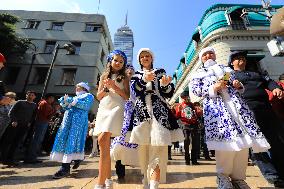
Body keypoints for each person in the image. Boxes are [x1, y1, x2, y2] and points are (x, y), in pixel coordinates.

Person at [190, 47, 270, 189]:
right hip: (218, 109)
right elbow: (196, 91)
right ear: (201, 58)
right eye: (205, 54)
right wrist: (213, 88)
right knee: (225, 144)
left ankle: (238, 177)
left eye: (211, 53)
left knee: (244, 143)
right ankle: (223, 177)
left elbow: (236, 85)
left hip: (237, 107)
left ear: (214, 55)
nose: (208, 55)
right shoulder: (198, 73)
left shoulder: (227, 69)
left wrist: (238, 86)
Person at [128, 48, 184, 189]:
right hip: (141, 112)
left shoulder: (160, 72)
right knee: (143, 148)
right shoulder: (136, 75)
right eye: (142, 57)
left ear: (152, 58)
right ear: (139, 60)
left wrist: (165, 85)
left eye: (148, 56)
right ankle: (146, 180)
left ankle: (154, 185)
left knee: (158, 146)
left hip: (159, 111)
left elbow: (169, 92)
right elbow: (134, 91)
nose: (145, 58)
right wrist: (143, 80)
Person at [230, 51, 284, 187]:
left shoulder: (256, 73)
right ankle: (272, 176)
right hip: (248, 111)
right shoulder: (228, 75)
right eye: (237, 58)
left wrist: (276, 88)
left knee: (277, 141)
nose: (241, 59)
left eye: (243, 58)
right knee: (257, 145)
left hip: (267, 109)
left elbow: (269, 82)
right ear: (232, 63)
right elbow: (222, 86)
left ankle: (282, 172)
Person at [93, 50, 129, 189]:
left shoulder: (125, 77)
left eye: (121, 61)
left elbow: (126, 96)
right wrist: (107, 89)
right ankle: (108, 179)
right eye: (116, 60)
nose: (118, 63)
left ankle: (100, 183)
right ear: (110, 61)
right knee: (104, 146)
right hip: (104, 108)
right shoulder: (103, 76)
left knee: (102, 139)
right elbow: (99, 96)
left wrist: (114, 87)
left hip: (116, 108)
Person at [50, 82, 94, 179]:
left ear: (83, 88)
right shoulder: (75, 97)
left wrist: (70, 101)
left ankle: (65, 168)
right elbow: (68, 107)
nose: (76, 89)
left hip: (77, 123)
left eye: (78, 87)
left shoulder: (89, 96)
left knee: (72, 142)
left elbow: (85, 106)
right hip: (67, 122)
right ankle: (77, 159)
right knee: (65, 141)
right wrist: (64, 102)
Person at [0, 91, 37, 166]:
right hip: (14, 125)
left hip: (24, 126)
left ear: (34, 97)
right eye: (29, 95)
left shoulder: (34, 105)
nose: (30, 96)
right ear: (26, 95)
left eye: (32, 95)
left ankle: (10, 159)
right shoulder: (20, 102)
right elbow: (11, 112)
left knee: (16, 143)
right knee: (8, 142)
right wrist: (14, 120)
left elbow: (33, 115)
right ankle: (3, 158)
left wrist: (30, 122)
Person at [25, 94, 55, 163]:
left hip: (44, 122)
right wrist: (54, 111)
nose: (52, 100)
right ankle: (30, 158)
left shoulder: (47, 104)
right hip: (41, 122)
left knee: (39, 140)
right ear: (48, 98)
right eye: (52, 98)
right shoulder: (44, 103)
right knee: (36, 139)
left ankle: (33, 157)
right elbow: (46, 114)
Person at [175, 89, 200, 165]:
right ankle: (187, 160)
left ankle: (194, 160)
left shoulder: (192, 104)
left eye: (187, 97)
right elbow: (177, 117)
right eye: (184, 97)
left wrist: (198, 112)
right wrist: (178, 111)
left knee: (195, 143)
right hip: (185, 125)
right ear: (182, 98)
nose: (186, 98)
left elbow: (196, 114)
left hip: (194, 125)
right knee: (186, 141)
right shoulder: (180, 105)